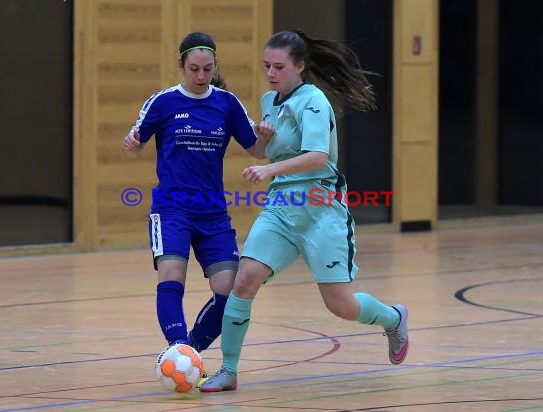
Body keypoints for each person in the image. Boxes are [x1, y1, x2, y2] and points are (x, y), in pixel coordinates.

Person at [200, 30, 409, 392]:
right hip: (281, 206)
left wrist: (269, 170)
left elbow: (317, 156)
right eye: (266, 65)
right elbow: (264, 153)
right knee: (244, 280)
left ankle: (393, 318)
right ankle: (229, 370)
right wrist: (262, 143)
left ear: (300, 66)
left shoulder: (313, 100)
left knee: (341, 305)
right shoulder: (270, 100)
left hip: (321, 208)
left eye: (279, 66)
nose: (271, 72)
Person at [121, 32, 273, 384]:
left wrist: (263, 137)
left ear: (215, 66)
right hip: (172, 209)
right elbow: (136, 142)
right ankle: (178, 347)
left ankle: (186, 352)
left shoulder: (226, 103)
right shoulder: (164, 102)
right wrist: (132, 143)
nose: (201, 76)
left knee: (229, 289)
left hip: (213, 213)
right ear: (182, 66)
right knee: (171, 276)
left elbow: (255, 150)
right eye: (194, 69)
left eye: (207, 69)